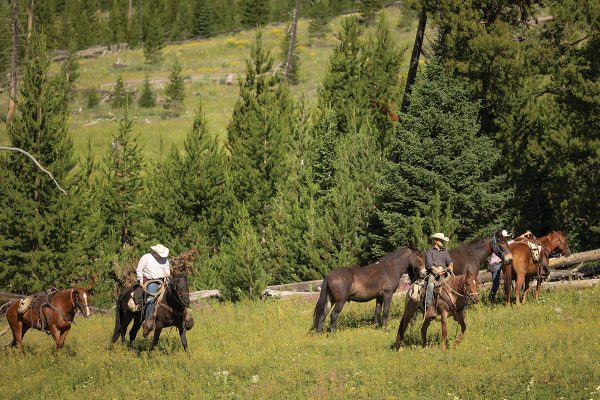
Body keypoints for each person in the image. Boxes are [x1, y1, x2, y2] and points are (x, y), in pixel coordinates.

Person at [136, 244, 170, 333]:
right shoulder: (146, 257)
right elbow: (139, 269)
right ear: (156, 252)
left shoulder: (164, 259)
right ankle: (148, 322)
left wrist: (167, 273)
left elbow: (167, 269)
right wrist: (140, 281)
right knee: (151, 299)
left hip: (163, 281)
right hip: (151, 281)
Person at [424, 233, 453, 312]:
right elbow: (429, 264)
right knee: (430, 285)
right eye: (441, 240)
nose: (442, 242)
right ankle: (428, 306)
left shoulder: (445, 252)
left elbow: (450, 261)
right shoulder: (429, 252)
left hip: (445, 272)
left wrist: (450, 266)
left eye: (443, 241)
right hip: (434, 273)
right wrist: (437, 270)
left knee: (456, 282)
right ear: (436, 241)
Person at [488, 229, 512, 302]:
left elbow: (513, 241)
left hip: (499, 264)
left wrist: (523, 236)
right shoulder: (499, 244)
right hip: (495, 264)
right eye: (505, 237)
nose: (506, 238)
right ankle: (491, 298)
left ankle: (495, 297)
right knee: (496, 283)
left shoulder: (503, 243)